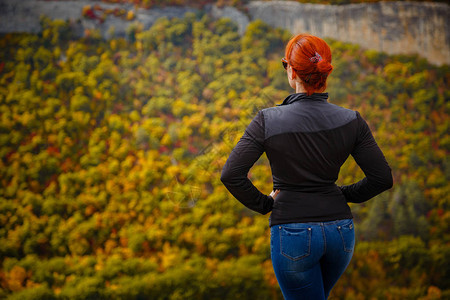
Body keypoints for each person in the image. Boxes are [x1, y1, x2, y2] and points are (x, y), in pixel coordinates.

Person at [220, 33, 393, 299]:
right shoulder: (352, 120)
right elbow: (381, 178)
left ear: (291, 70)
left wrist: (265, 204)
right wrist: (342, 194)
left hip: (293, 232)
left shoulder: (268, 119)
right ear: (325, 71)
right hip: (340, 232)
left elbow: (231, 174)